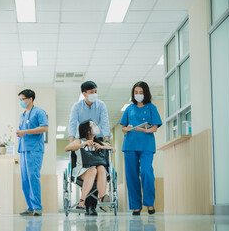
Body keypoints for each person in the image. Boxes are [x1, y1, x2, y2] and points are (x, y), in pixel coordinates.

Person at [68, 81, 111, 215]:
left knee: (99, 167)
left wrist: (106, 143)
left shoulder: (101, 105)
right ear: (84, 94)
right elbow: (72, 123)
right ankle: (89, 205)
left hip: (97, 139)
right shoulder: (77, 106)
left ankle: (92, 205)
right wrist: (73, 144)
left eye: (95, 91)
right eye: (91, 92)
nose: (94, 94)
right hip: (81, 140)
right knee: (90, 169)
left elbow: (105, 123)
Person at [120, 81, 162, 216]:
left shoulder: (151, 107)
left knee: (146, 172)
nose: (138, 94)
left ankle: (150, 203)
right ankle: (136, 206)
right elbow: (123, 128)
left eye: (141, 92)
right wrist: (128, 128)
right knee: (131, 176)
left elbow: (155, 127)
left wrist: (145, 130)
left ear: (146, 93)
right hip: (130, 145)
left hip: (146, 145)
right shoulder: (129, 109)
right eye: (136, 92)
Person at [65, 120, 114, 214]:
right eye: (93, 125)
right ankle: (82, 201)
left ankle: (102, 198)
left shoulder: (99, 142)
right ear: (87, 130)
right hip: (82, 170)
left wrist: (102, 147)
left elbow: (113, 149)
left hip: (98, 172)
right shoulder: (79, 141)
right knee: (92, 170)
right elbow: (67, 148)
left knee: (101, 167)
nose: (95, 126)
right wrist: (84, 144)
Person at [16, 89, 48, 216]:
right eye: (20, 100)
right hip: (23, 150)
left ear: (30, 99)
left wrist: (25, 132)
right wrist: (20, 133)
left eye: (22, 99)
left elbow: (44, 128)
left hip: (34, 150)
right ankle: (30, 207)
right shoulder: (23, 115)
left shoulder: (39, 112)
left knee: (33, 178)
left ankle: (37, 207)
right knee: (25, 180)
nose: (21, 102)